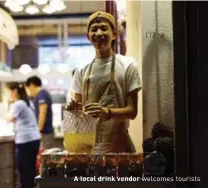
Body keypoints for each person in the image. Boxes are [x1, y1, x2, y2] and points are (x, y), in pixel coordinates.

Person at [69, 11, 142, 154]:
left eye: (103, 28)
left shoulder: (128, 65)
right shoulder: (81, 70)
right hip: (89, 149)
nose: (98, 32)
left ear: (114, 34)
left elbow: (132, 112)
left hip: (120, 149)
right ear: (88, 36)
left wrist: (107, 112)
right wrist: (73, 109)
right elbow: (77, 111)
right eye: (94, 29)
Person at [5, 82, 41, 188]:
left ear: (15, 91)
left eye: (8, 92)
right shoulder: (28, 102)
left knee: (24, 170)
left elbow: (8, 119)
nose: (8, 95)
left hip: (25, 140)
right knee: (30, 170)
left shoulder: (18, 104)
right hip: (34, 139)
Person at [25, 76, 55, 150]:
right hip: (44, 132)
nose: (28, 91)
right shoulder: (40, 95)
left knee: (46, 157)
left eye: (27, 88)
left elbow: (43, 112)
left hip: (45, 133)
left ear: (31, 85)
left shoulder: (42, 94)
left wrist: (38, 129)